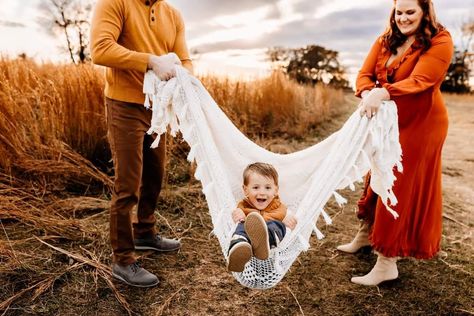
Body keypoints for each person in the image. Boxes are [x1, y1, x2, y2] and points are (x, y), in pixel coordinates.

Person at [337, 0, 454, 286]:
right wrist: (368, 93)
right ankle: (366, 235)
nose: (402, 18)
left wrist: (382, 94)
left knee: (397, 182)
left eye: (410, 12)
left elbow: (421, 80)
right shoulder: (386, 39)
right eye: (398, 12)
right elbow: (364, 75)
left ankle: (387, 262)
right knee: (375, 171)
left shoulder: (440, 39)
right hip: (388, 121)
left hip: (422, 122)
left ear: (425, 11)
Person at [90, 0, 193, 287]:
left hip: (158, 107)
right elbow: (100, 49)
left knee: (155, 175)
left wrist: (187, 77)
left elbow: (184, 59)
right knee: (127, 184)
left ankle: (145, 232)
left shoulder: (172, 14)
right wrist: (151, 60)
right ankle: (123, 259)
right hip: (123, 105)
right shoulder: (114, 3)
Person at [227, 162, 297, 272]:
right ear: (246, 190)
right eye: (256, 187)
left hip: (271, 243)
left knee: (277, 225)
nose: (262, 192)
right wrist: (237, 214)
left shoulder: (280, 207)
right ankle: (239, 247)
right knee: (242, 224)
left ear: (275, 190)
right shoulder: (243, 206)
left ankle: (264, 242)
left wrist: (289, 222)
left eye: (268, 188)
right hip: (249, 240)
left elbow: (290, 220)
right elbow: (236, 216)